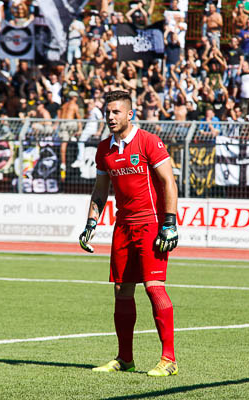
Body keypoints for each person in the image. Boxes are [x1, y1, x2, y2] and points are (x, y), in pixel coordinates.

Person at [79, 90, 179, 377]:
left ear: (130, 114)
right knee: (121, 289)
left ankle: (169, 360)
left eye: (116, 112)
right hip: (122, 226)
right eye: (107, 112)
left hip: (151, 224)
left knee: (153, 286)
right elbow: (100, 191)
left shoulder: (148, 141)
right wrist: (91, 223)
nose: (110, 117)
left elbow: (169, 182)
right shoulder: (104, 149)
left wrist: (169, 222)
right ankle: (125, 358)